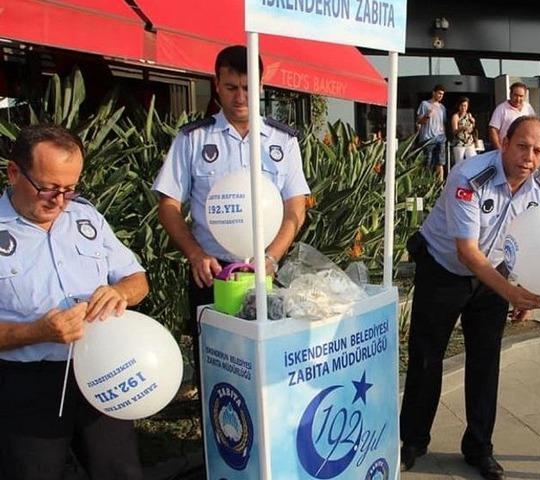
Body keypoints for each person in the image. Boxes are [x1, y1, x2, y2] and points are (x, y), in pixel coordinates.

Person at [399, 116, 540, 480]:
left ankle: (479, 448)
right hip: (443, 269)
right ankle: (412, 441)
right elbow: (467, 252)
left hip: (494, 273)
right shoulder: (468, 177)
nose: (528, 157)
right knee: (426, 357)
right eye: (522, 146)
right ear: (504, 142)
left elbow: (527, 241)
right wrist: (510, 291)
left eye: (538, 150)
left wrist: (522, 286)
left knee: (486, 363)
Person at [153, 45, 309, 388]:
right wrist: (195, 254)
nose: (241, 97)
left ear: (261, 85)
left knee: (268, 373)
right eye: (231, 87)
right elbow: (167, 205)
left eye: (248, 87)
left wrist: (273, 256)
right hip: (211, 275)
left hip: (265, 275)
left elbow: (296, 206)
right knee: (216, 370)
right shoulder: (193, 139)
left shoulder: (284, 140)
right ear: (216, 84)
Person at [0, 124, 150, 479]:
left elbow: (138, 280)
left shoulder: (86, 218)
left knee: (120, 471)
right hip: (27, 384)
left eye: (69, 189)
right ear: (14, 172)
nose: (60, 201)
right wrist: (35, 332)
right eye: (48, 188)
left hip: (100, 369)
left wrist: (120, 293)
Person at [488, 82, 536, 150]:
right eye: (515, 95)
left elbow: (534, 126)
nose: (518, 99)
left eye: (521, 96)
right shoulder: (501, 109)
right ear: (510, 94)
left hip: (524, 150)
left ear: (525, 96)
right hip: (507, 150)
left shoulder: (528, 108)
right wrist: (499, 149)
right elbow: (493, 130)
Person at [417, 84, 447, 181]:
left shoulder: (442, 108)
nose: (440, 96)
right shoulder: (425, 104)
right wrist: (427, 115)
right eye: (439, 93)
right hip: (428, 138)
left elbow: (443, 123)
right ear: (433, 93)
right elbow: (419, 121)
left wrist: (444, 136)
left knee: (440, 162)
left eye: (442, 94)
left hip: (440, 138)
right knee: (427, 163)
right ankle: (425, 184)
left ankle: (440, 186)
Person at [451, 96, 478, 163]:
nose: (463, 108)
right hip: (459, 143)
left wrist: (473, 123)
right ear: (459, 106)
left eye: (465, 106)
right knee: (459, 163)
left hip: (469, 142)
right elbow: (454, 131)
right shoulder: (456, 116)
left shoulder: (469, 115)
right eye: (462, 105)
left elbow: (472, 129)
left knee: (473, 161)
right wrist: (462, 128)